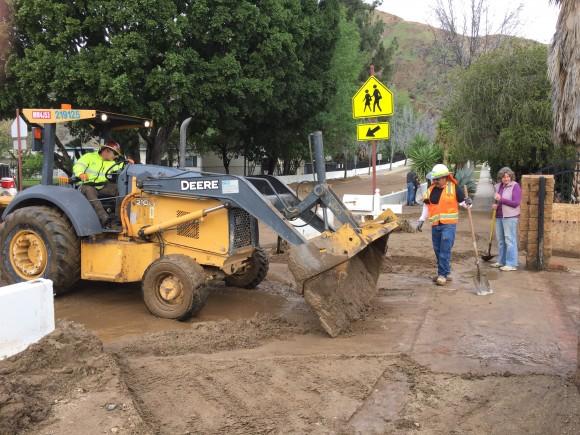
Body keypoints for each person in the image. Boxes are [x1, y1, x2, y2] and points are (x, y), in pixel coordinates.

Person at [416, 164, 472, 286]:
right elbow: (426, 206)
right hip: (435, 225)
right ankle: (446, 272)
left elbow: (464, 203)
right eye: (434, 179)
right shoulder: (430, 190)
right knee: (438, 249)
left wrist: (468, 202)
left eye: (437, 179)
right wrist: (421, 219)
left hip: (449, 225)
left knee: (445, 249)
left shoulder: (454, 188)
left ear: (444, 177)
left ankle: (442, 275)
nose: (434, 181)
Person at [73, 140, 127, 227]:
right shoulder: (89, 157)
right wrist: (80, 173)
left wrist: (127, 164)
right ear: (107, 151)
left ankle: (118, 219)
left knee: (121, 189)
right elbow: (78, 165)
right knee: (89, 190)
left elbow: (120, 167)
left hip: (102, 186)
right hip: (86, 185)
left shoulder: (111, 163)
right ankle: (104, 218)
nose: (115, 157)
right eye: (115, 154)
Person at [490, 167, 521, 271]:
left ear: (511, 177)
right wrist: (495, 205)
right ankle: (501, 261)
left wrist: (501, 200)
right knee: (501, 241)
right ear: (501, 178)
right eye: (504, 177)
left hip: (510, 217)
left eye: (508, 176)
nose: (506, 178)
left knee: (510, 240)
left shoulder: (515, 186)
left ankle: (511, 264)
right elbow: (497, 201)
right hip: (499, 216)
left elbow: (516, 203)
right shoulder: (498, 186)